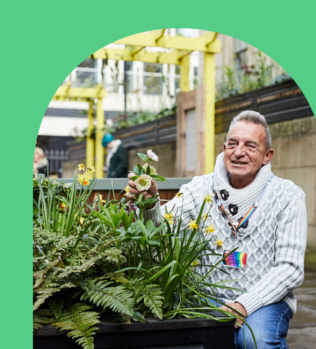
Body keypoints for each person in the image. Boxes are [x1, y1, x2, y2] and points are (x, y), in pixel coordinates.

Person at [126, 110, 306, 349]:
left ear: (267, 156)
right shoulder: (200, 187)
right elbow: (161, 230)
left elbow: (290, 268)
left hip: (265, 300)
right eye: (233, 143)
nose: (239, 152)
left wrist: (244, 305)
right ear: (224, 148)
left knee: (256, 340)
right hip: (204, 296)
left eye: (251, 146)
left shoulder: (288, 195)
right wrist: (149, 205)